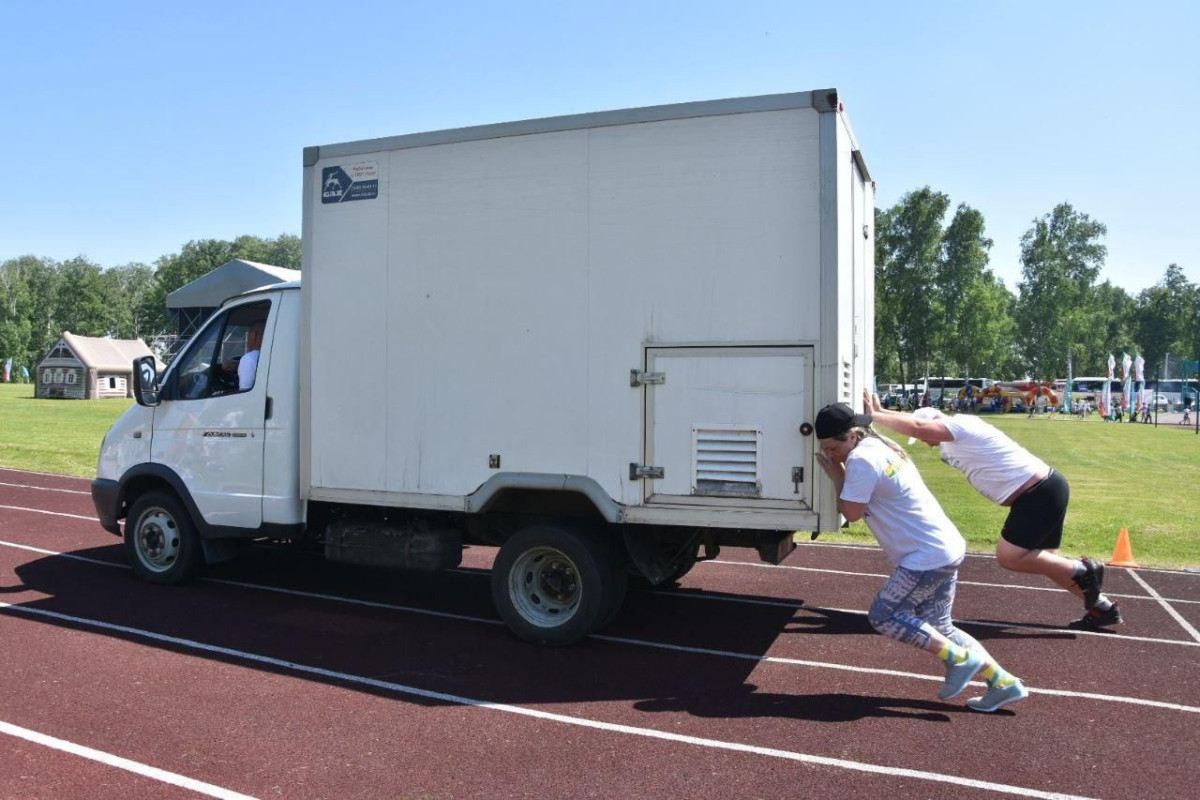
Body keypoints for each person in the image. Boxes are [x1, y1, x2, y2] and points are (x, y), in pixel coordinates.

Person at [814, 402, 1028, 713]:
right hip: (944, 546)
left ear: (852, 436)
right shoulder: (880, 444)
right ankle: (1003, 683)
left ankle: (959, 659)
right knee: (940, 626)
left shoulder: (859, 460)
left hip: (925, 555)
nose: (831, 454)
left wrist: (836, 475)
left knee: (883, 616)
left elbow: (851, 513)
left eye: (832, 447)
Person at [864, 390, 1121, 630]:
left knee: (1009, 557)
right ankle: (1103, 608)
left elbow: (919, 425)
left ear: (936, 425)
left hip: (1037, 494)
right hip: (1044, 490)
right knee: (1050, 564)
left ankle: (1084, 570)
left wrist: (871, 416)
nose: (924, 442)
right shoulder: (952, 436)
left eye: (923, 437)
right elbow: (916, 423)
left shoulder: (962, 426)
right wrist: (882, 412)